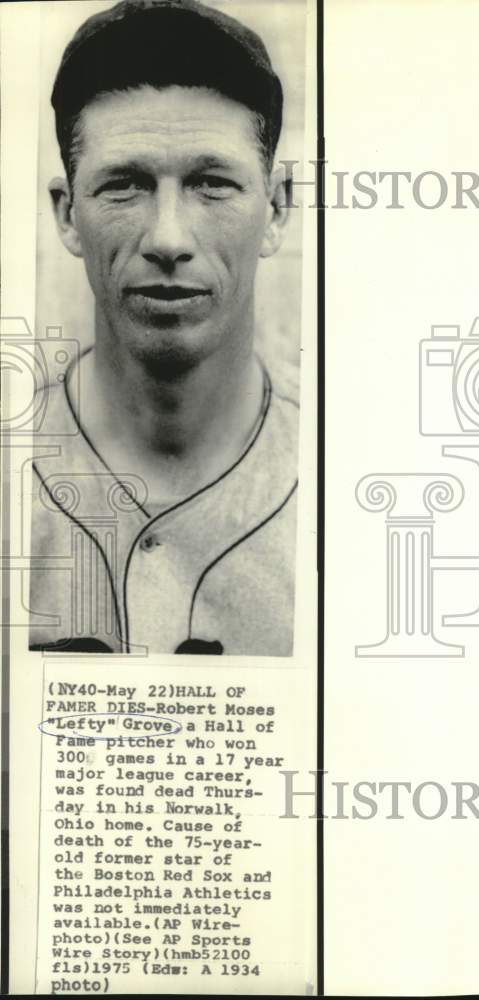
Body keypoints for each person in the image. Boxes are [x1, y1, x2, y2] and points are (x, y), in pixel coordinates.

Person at [28, 0, 299, 656]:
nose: (169, 239)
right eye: (125, 185)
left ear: (278, 208)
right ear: (67, 214)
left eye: (211, 184)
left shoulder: (349, 480)